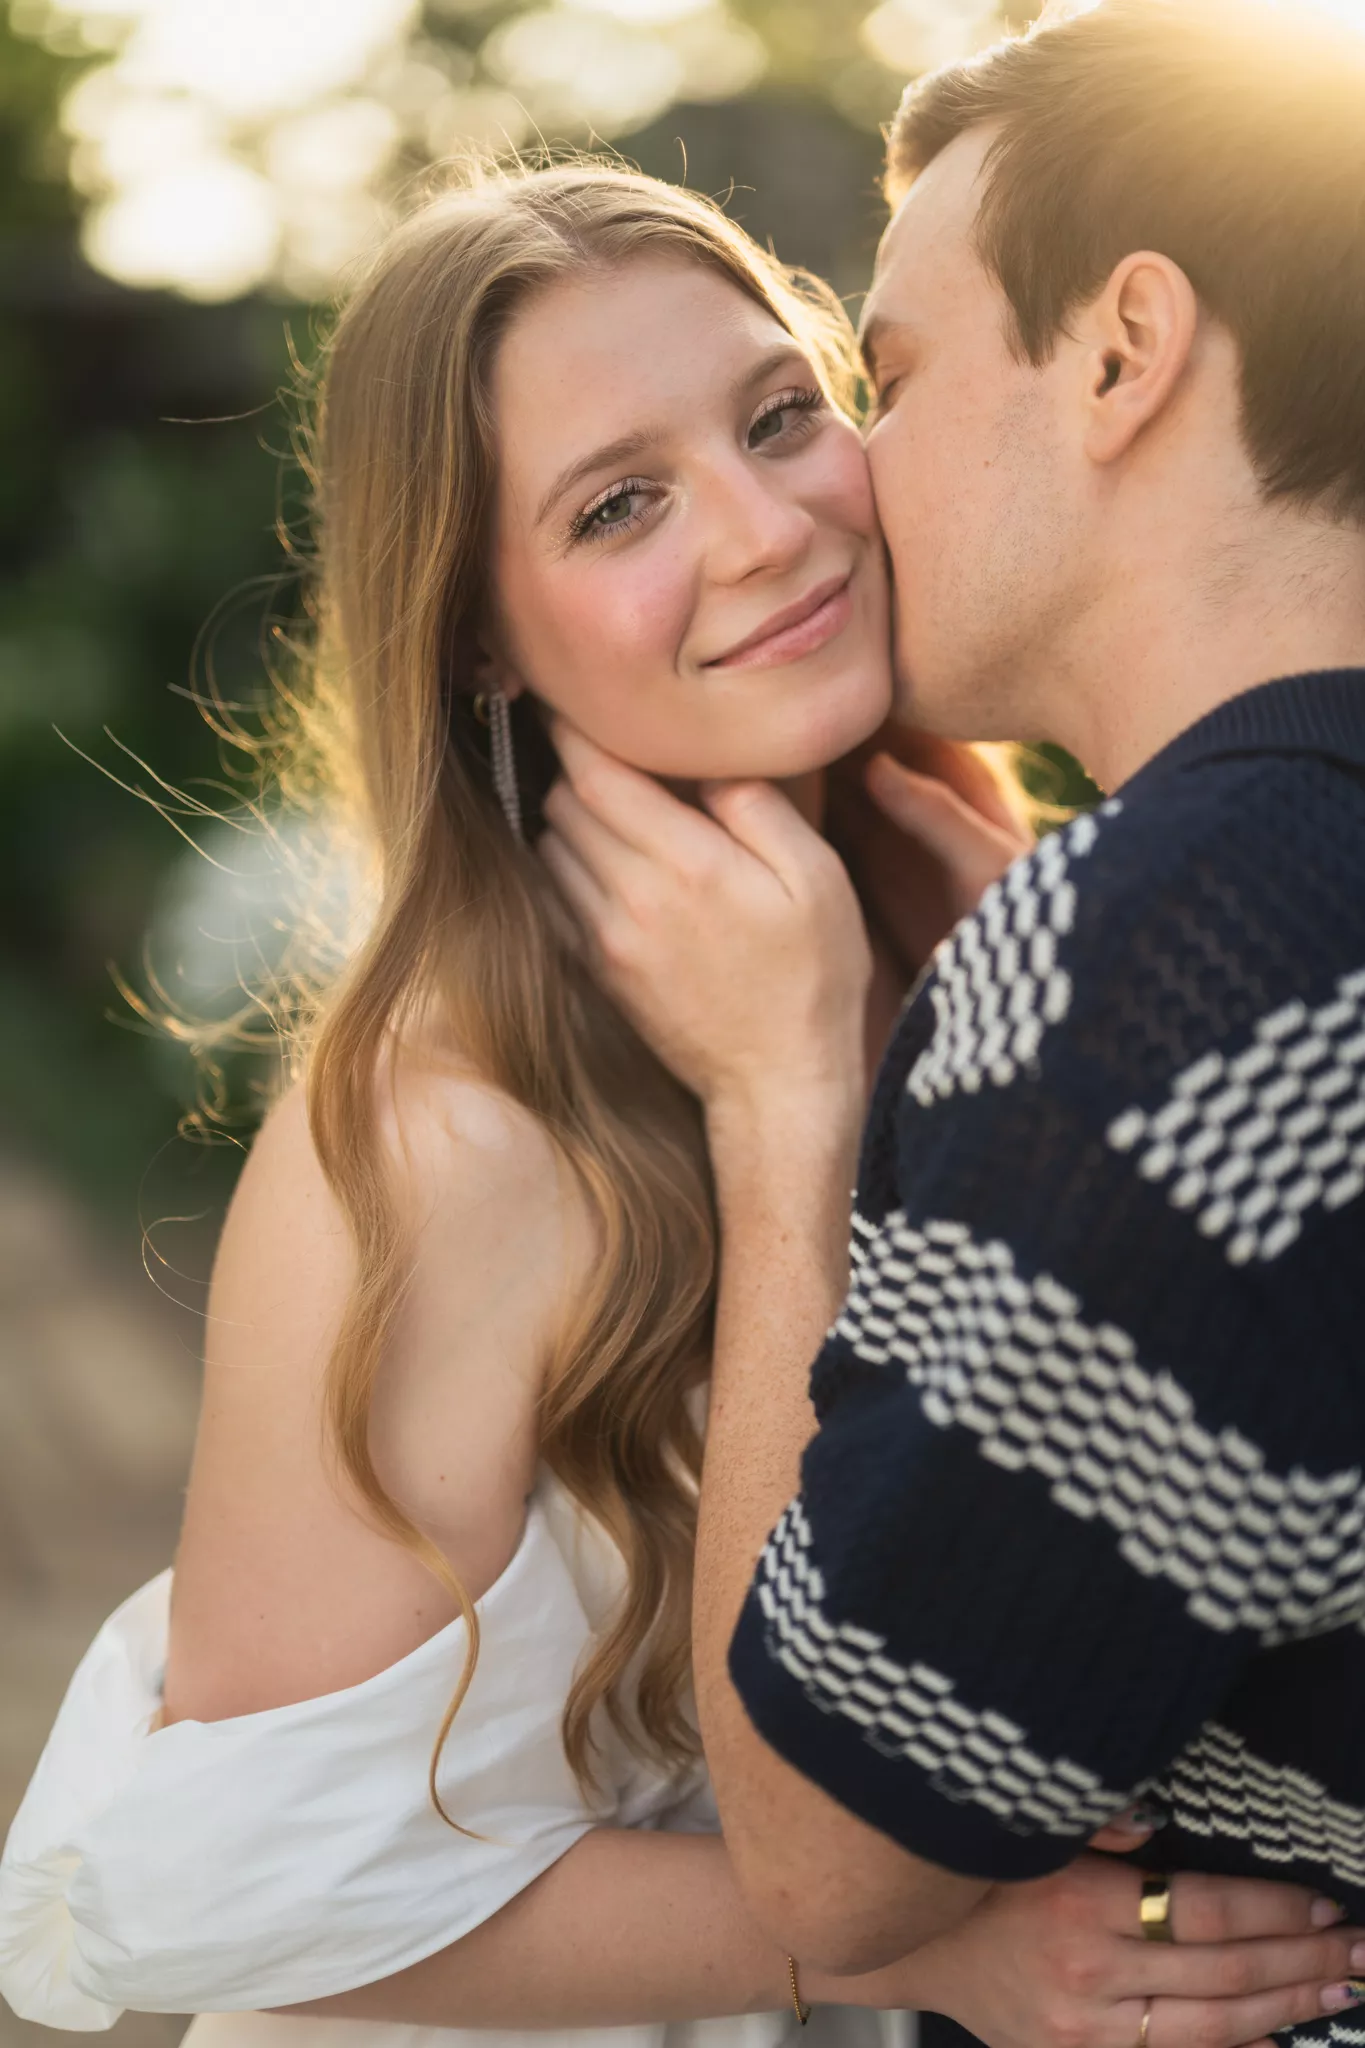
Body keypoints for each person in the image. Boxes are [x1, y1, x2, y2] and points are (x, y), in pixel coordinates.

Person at [1, 159, 1360, 2048]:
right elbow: (224, 1884)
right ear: (478, 634)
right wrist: (906, 1947)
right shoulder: (451, 1115)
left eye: (784, 415)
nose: (766, 530)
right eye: (620, 504)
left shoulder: (988, 912)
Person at [534, 5, 1365, 2047]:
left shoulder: (1181, 941)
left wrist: (785, 1097)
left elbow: (825, 1857)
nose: (845, 484)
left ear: (1120, 350)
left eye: (878, 376)